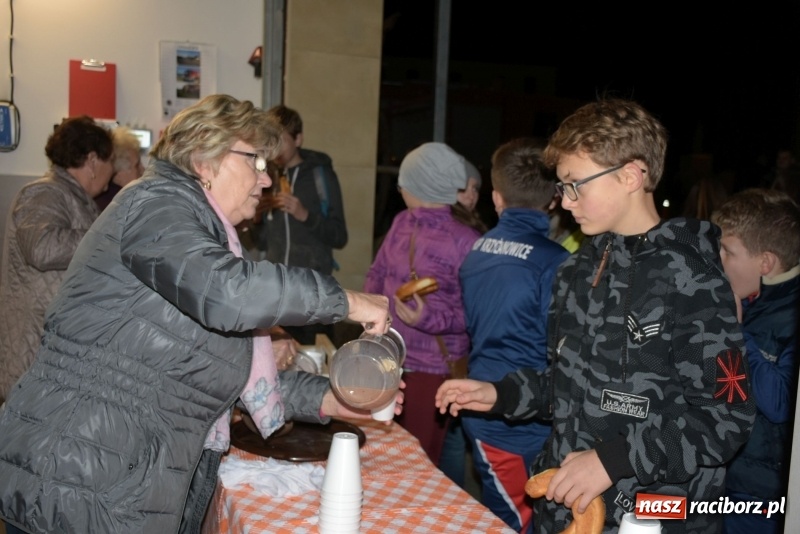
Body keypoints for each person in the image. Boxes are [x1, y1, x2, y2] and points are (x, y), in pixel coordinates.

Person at [0, 94, 397, 534]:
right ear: (206, 159)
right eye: (257, 163)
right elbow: (227, 294)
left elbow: (230, 367)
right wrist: (348, 301)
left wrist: (337, 398)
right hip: (81, 472)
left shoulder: (204, 236)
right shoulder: (156, 202)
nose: (266, 182)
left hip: (116, 473)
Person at [436, 99, 756, 533]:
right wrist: (500, 395)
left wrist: (611, 461)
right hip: (565, 508)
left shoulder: (690, 279)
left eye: (575, 184)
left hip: (653, 515)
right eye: (562, 187)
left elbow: (725, 419)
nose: (565, 202)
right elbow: (565, 386)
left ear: (631, 175)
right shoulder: (576, 270)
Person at [458, 139, 569, 533]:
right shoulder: (557, 263)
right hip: (516, 426)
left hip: (491, 407)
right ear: (555, 199)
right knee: (516, 523)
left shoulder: (476, 251)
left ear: (496, 197)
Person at [365, 142, 480, 466]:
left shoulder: (465, 240)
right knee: (385, 453)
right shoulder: (403, 221)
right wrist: (369, 314)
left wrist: (427, 317)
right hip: (391, 358)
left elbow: (473, 314)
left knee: (417, 461)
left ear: (421, 185)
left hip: (432, 370)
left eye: (406, 180)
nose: (400, 186)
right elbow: (378, 272)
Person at [0, 115, 114, 403]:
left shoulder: (72, 197)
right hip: (34, 347)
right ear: (91, 161)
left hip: (53, 345)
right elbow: (41, 248)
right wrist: (107, 237)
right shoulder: (44, 192)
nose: (112, 171)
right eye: (109, 160)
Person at [712, 189, 800, 534]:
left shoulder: (791, 316)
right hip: (727, 480)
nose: (717, 258)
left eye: (727, 251)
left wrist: (736, 332)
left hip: (761, 500)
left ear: (765, 263)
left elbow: (781, 402)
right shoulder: (755, 300)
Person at [255, 105, 348, 344]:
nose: (276, 151)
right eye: (271, 142)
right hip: (276, 293)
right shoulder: (267, 177)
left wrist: (304, 214)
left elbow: (340, 236)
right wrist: (255, 219)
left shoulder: (320, 175)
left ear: (298, 139)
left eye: (282, 141)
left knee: (314, 362)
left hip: (313, 292)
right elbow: (262, 241)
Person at [438, 156, 486, 487]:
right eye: (470, 188)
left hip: (431, 356)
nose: (474, 196)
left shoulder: (415, 223)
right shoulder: (465, 236)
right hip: (453, 354)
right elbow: (470, 304)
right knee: (452, 441)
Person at [95, 126, 146, 211]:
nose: (143, 170)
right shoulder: (122, 206)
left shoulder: (100, 199)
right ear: (119, 174)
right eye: (137, 165)